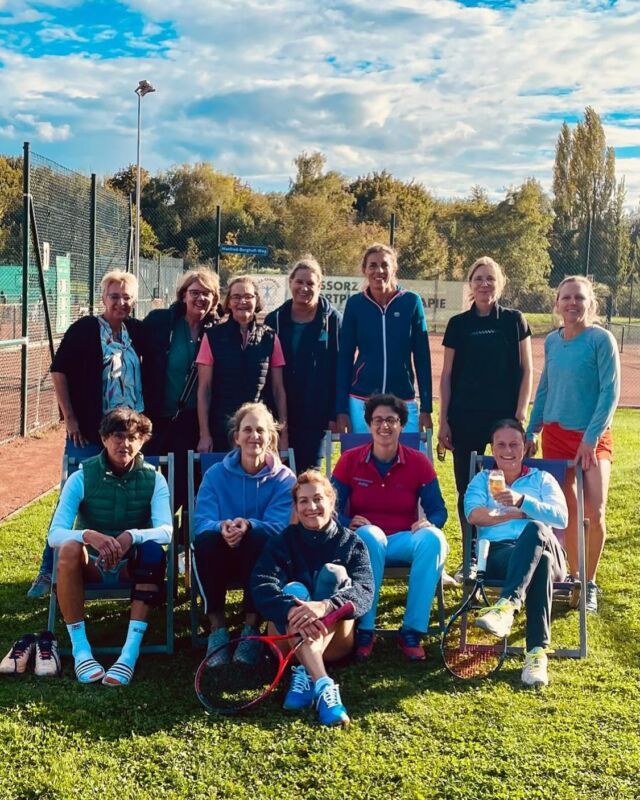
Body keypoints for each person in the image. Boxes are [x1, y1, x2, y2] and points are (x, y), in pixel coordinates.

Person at [28, 269, 146, 599]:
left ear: (134, 301)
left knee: (130, 498)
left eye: (126, 297)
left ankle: (127, 569)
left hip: (130, 435)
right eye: (114, 296)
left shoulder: (136, 331)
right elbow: (59, 372)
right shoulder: (84, 330)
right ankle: (49, 569)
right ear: (102, 298)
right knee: (73, 496)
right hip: (90, 433)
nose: (120, 302)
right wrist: (71, 419)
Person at [47, 408, 172, 685]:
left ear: (142, 441)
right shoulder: (81, 477)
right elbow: (54, 534)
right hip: (90, 564)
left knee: (153, 550)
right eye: (117, 436)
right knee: (67, 548)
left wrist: (131, 536)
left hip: (131, 565)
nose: (124, 444)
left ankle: (128, 654)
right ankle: (81, 651)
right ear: (103, 439)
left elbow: (166, 531)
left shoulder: (154, 478)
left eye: (132, 437)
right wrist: (89, 535)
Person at [525, 276, 620, 613]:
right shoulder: (552, 341)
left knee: (594, 512)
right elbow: (545, 388)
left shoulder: (601, 339)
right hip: (555, 435)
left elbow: (610, 393)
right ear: (557, 303)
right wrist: (531, 430)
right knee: (567, 512)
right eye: (566, 298)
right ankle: (573, 578)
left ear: (589, 303)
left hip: (592, 438)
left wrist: (590, 440)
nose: (572, 303)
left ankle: (589, 582)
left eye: (579, 298)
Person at [251, 470, 374, 726]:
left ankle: (307, 674)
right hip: (286, 641)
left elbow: (365, 592)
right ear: (295, 507)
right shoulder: (281, 542)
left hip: (335, 642)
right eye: (303, 501)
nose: (311, 507)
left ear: (331, 501)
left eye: (318, 499)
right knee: (294, 592)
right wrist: (292, 608)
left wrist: (325, 605)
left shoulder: (351, 543)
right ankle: (323, 684)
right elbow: (261, 586)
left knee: (334, 574)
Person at [331, 394, 448, 661]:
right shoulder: (350, 460)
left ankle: (411, 631)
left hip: (403, 538)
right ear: (369, 425)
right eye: (378, 420)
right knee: (370, 536)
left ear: (401, 425)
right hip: (365, 539)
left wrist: (431, 523)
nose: (385, 426)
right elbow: (328, 509)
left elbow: (439, 509)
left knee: (434, 540)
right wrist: (349, 523)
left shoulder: (418, 461)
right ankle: (365, 629)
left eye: (392, 420)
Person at [465, 419, 568, 687]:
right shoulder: (482, 479)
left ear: (525, 448)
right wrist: (513, 513)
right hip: (502, 555)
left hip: (551, 551)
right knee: (538, 561)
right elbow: (474, 515)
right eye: (501, 444)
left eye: (514, 444)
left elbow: (561, 518)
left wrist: (523, 502)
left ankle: (508, 604)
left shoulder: (542, 479)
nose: (507, 450)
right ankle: (536, 653)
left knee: (535, 530)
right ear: (492, 448)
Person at [438, 256, 533, 550]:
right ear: (470, 284)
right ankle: (471, 553)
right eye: (478, 278)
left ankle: (503, 549)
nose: (484, 284)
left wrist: (520, 411)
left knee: (504, 486)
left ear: (500, 284)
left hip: (503, 419)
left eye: (490, 278)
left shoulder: (514, 320)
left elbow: (527, 369)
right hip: (464, 419)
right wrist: (444, 421)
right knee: (467, 489)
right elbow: (447, 374)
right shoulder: (458, 324)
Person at [191, 402, 296, 663]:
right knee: (206, 540)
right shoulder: (215, 475)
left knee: (260, 538)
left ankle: (251, 629)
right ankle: (217, 630)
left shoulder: (284, 479)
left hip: (260, 556)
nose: (254, 436)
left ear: (271, 437)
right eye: (247, 430)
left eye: (261, 430)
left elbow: (281, 526)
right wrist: (221, 527)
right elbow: (201, 520)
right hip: (221, 554)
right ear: (236, 436)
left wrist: (249, 525)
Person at [142, 268, 221, 514]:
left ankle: (184, 544)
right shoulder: (159, 322)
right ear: (183, 295)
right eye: (195, 292)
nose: (201, 299)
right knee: (156, 485)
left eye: (207, 293)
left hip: (195, 422)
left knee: (191, 490)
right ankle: (154, 543)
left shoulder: (218, 331)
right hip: (158, 418)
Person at [335, 243, 432, 434]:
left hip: (402, 399)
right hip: (361, 399)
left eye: (384, 265)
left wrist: (427, 408)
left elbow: (422, 357)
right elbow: (345, 357)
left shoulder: (411, 301)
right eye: (372, 265)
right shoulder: (355, 304)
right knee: (361, 461)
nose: (379, 270)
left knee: (409, 460)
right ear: (364, 270)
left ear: (394, 268)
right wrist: (341, 409)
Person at [265, 256, 341, 471]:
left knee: (309, 476)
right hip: (280, 416)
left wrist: (335, 413)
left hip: (316, 418)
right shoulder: (275, 320)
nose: (304, 288)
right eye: (299, 282)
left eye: (310, 283)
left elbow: (340, 369)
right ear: (290, 282)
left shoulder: (334, 320)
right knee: (279, 476)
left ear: (320, 286)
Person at [196, 275, 289, 453]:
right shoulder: (212, 337)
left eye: (248, 297)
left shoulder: (270, 337)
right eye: (236, 297)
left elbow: (278, 389)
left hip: (258, 430)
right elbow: (204, 389)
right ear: (229, 303)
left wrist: (283, 434)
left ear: (257, 300)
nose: (242, 302)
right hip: (221, 429)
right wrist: (204, 434)